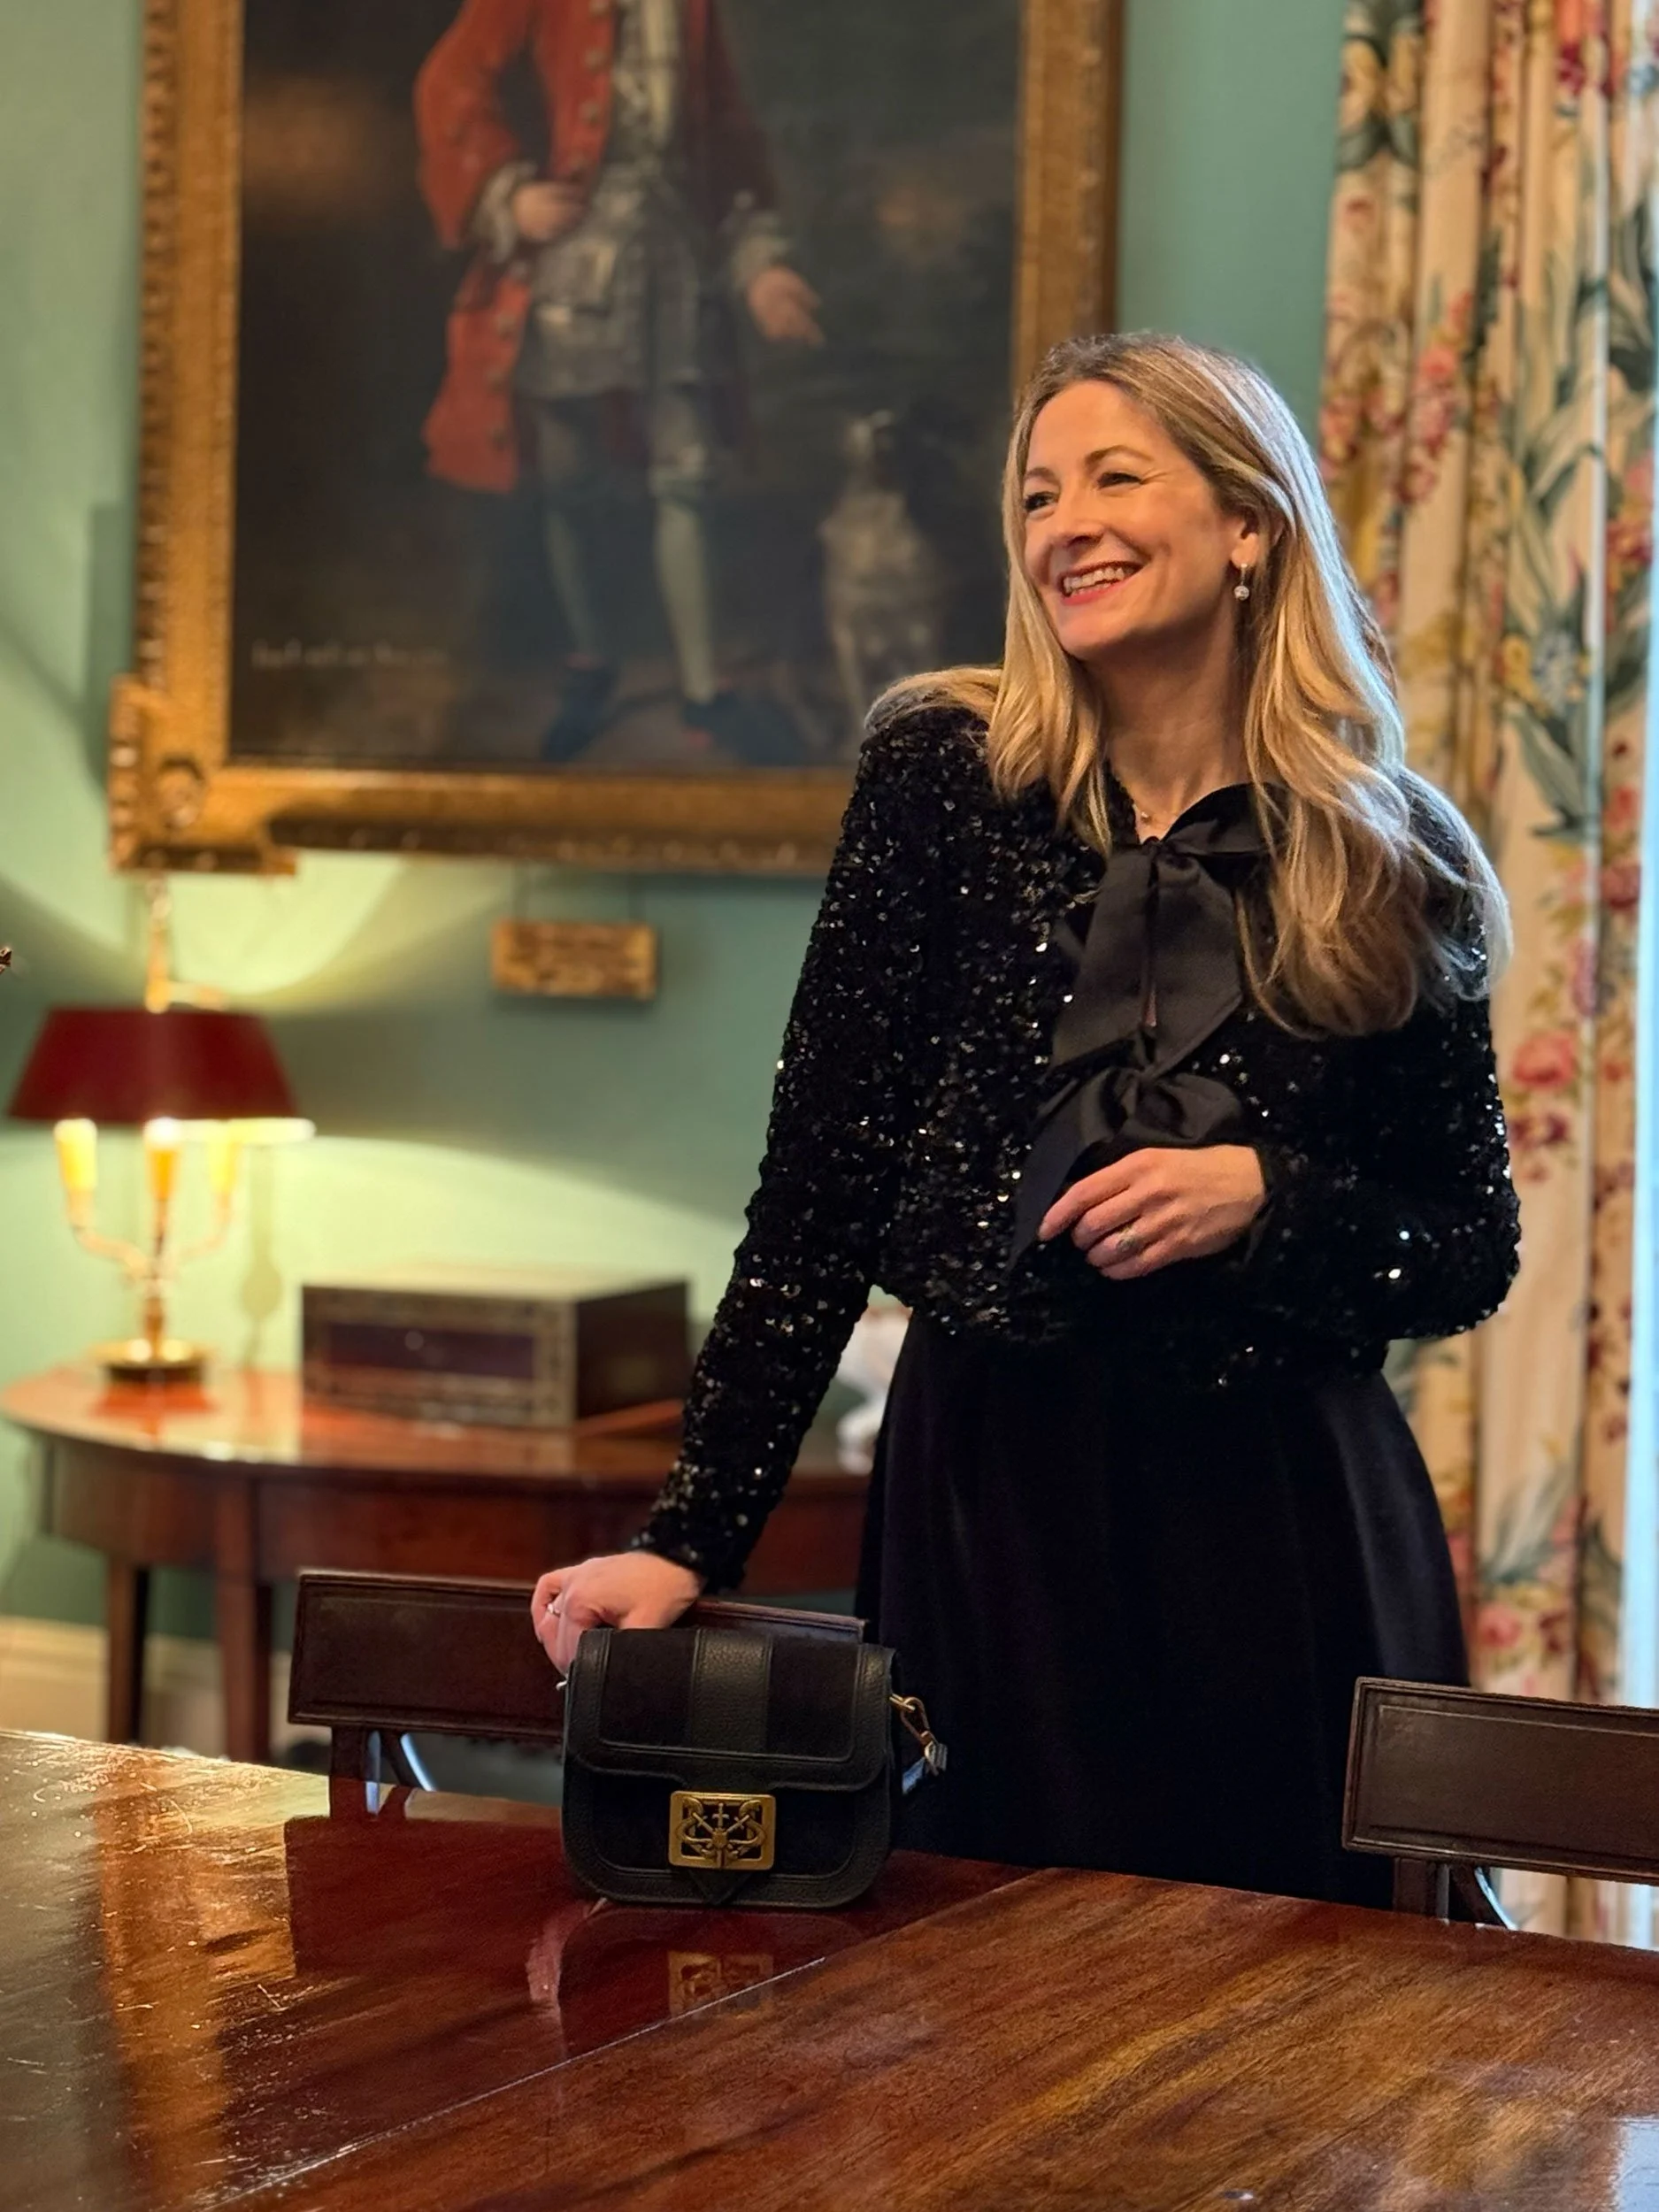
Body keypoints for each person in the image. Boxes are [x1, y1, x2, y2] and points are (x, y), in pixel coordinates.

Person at [531, 332, 1522, 1906]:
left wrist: (1266, 1196)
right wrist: (690, 1539)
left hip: (1280, 1517)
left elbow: (1468, 1243)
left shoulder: (1394, 853)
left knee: (1298, 2027)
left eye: (1118, 477)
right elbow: (813, 1203)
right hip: (992, 1505)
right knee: (977, 1999)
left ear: (1250, 521)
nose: (1068, 522)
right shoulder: (939, 778)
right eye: (1040, 494)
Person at [414, 0, 824, 764]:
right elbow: (449, 82)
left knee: (687, 477)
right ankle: (591, 661)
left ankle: (706, 694)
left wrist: (759, 263)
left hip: (675, 263)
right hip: (570, 267)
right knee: (572, 482)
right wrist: (507, 194)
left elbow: (725, 144)